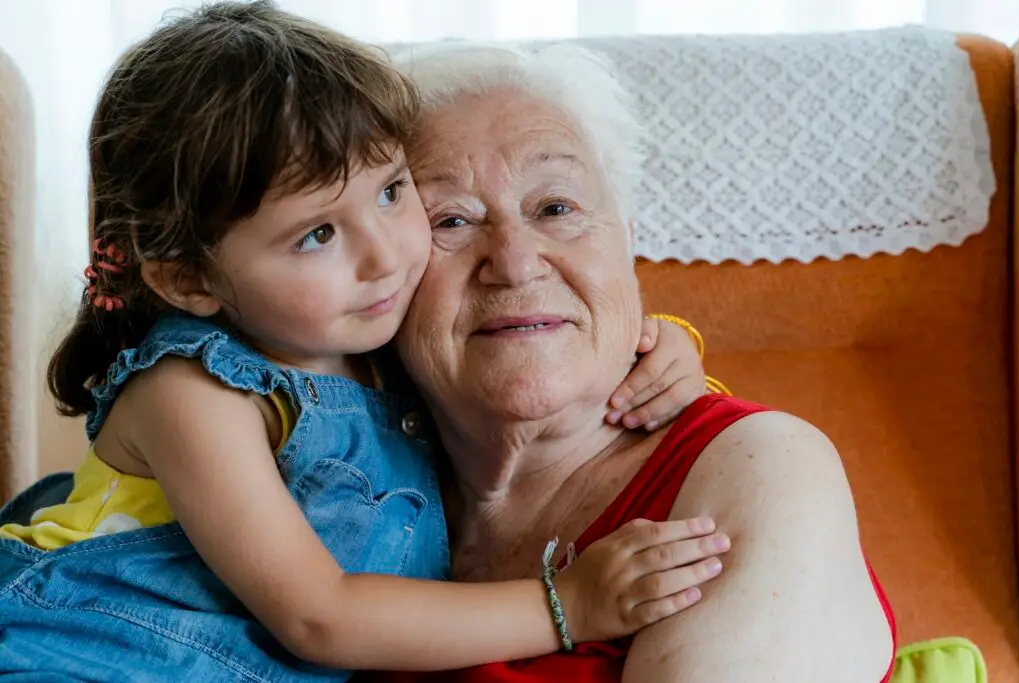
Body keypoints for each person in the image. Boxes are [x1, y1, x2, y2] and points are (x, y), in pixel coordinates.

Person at [0, 4, 728, 681]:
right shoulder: (190, 394)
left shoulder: (371, 328)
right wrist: (567, 603)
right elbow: (319, 614)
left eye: (390, 191)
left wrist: (662, 347)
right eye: (317, 234)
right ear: (189, 278)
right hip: (72, 657)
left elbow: (523, 345)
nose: (385, 254)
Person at [381, 41, 898, 682]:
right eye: (450, 220)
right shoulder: (338, 488)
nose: (514, 261)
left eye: (556, 208)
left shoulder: (761, 467)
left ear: (627, 236)